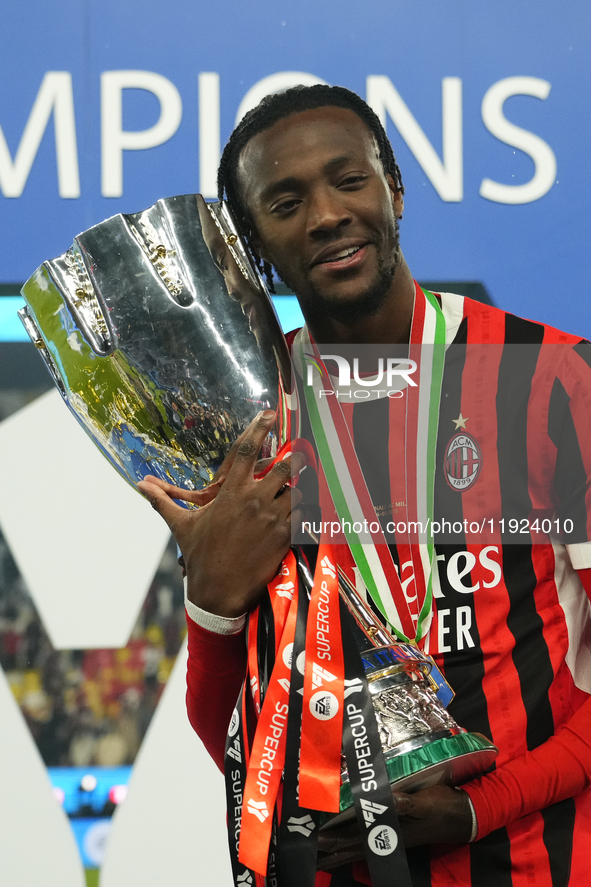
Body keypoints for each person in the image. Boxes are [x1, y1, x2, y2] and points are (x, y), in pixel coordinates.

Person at [138, 85, 591, 886]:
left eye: (348, 180)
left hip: (540, 862)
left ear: (395, 190)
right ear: (253, 245)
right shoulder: (248, 424)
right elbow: (232, 737)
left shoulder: (551, 380)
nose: (325, 215)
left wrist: (484, 804)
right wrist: (209, 600)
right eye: (286, 200)